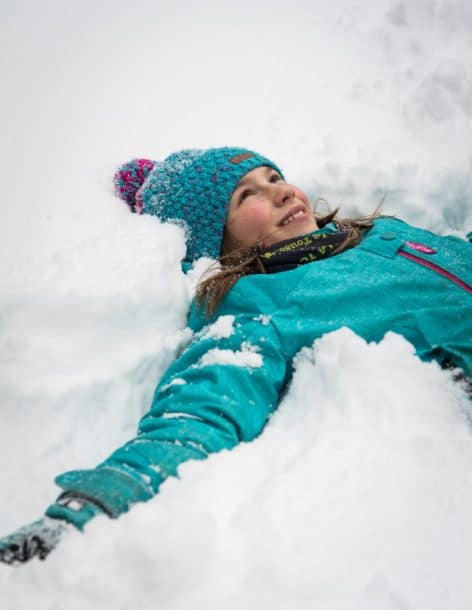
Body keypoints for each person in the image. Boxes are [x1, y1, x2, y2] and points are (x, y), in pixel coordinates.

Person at [1, 147, 471, 565]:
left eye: (272, 177)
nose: (281, 191)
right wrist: (94, 505)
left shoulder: (381, 233)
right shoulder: (261, 307)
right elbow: (201, 414)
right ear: (219, 244)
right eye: (247, 196)